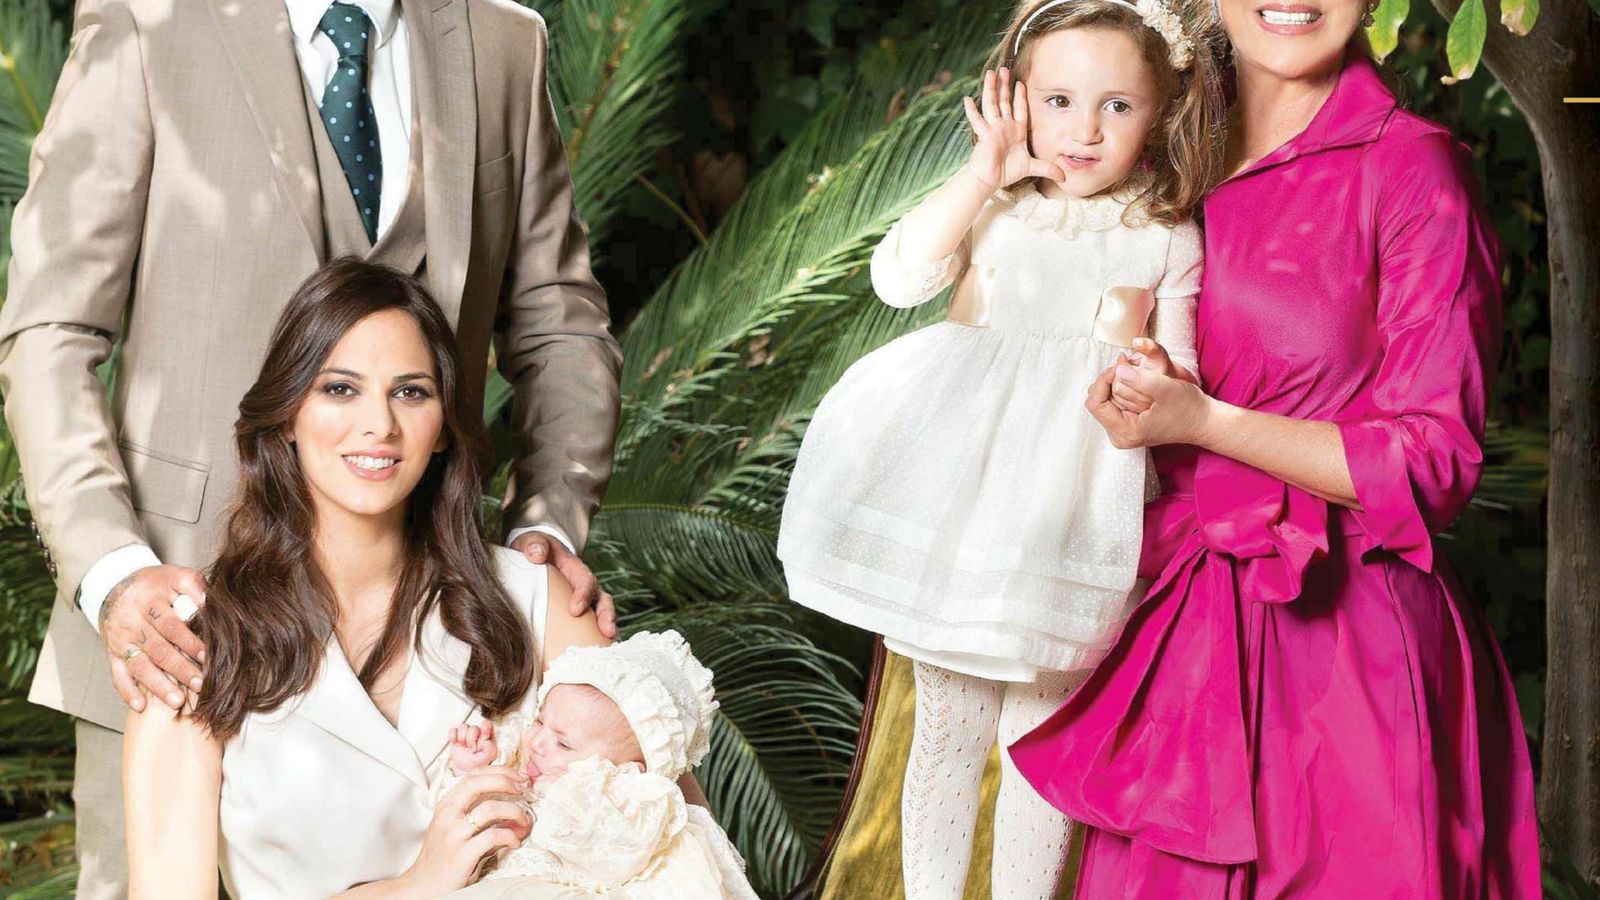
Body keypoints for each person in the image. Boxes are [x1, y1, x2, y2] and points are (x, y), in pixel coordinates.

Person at [0, 1, 622, 894]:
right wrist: (112, 571)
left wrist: (549, 524)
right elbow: (50, 326)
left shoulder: (501, 41)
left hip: (435, 637)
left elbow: (562, 326)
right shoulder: (151, 20)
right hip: (171, 634)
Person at [1008, 1, 1542, 895]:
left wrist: (1203, 422)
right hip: (1169, 641)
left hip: (1344, 656)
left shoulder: (1411, 167)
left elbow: (1431, 463)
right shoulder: (1143, 139)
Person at [775, 0, 1225, 894]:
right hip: (961, 502)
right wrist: (982, 173)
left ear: (1163, 111)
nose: (1084, 131)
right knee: (947, 726)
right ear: (1017, 101)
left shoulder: (1168, 234)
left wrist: (1149, 367)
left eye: (1117, 107)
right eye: (1058, 101)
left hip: (1072, 504)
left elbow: (1186, 374)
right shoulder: (996, 207)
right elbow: (898, 277)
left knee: (1040, 736)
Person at [121, 260, 617, 898]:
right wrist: (418, 886)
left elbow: (684, 849)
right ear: (286, 417)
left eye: (411, 391)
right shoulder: (188, 648)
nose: (380, 425)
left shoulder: (539, 600)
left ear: (443, 429)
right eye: (339, 389)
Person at [438, 630, 755, 898]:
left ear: (629, 770)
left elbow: (606, 860)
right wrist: (474, 769)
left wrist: (566, 801)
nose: (536, 742)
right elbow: (467, 823)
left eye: (564, 743)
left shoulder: (633, 807)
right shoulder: (529, 763)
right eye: (539, 720)